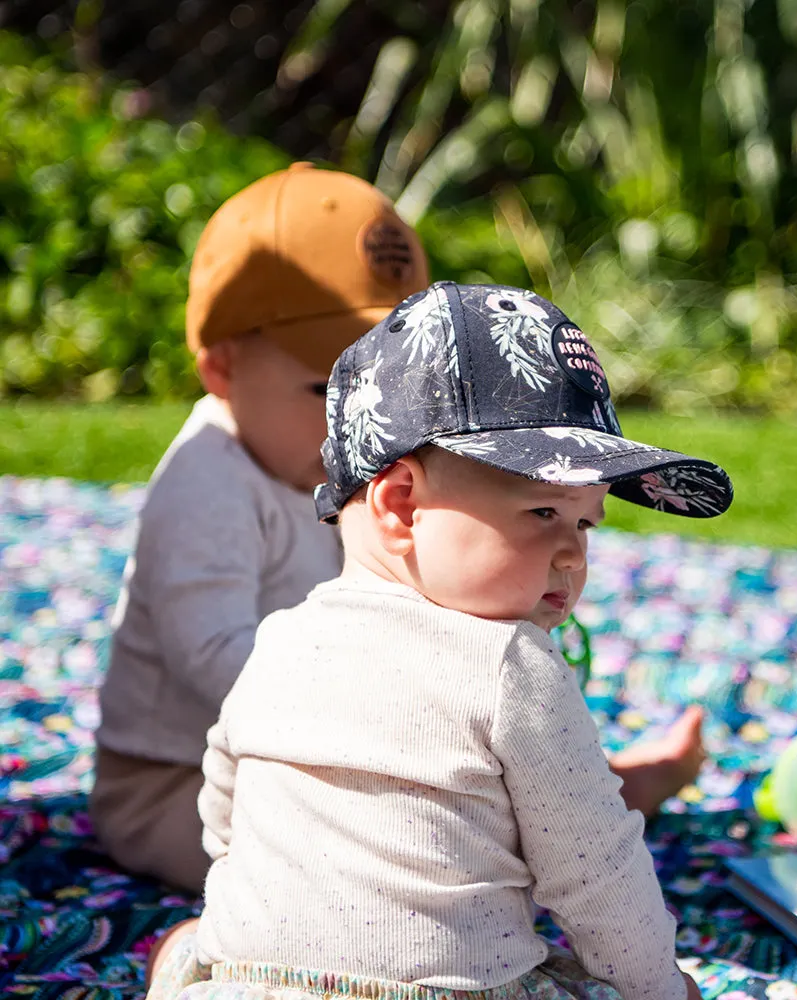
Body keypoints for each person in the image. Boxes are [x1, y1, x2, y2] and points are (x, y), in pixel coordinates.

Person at [92, 167, 706, 899]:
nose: (352, 425)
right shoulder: (210, 482)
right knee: (403, 860)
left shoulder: (344, 470)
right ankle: (593, 810)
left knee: (453, 801)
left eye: (376, 396)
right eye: (326, 391)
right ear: (221, 366)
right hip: (176, 786)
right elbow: (220, 666)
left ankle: (586, 803)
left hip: (315, 750)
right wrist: (398, 700)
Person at [146, 281, 733, 1000]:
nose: (573, 554)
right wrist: (663, 989)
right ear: (399, 505)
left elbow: (224, 817)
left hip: (250, 984)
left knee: (181, 951)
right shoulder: (510, 665)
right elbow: (597, 874)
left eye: (585, 523)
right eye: (543, 510)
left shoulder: (280, 640)